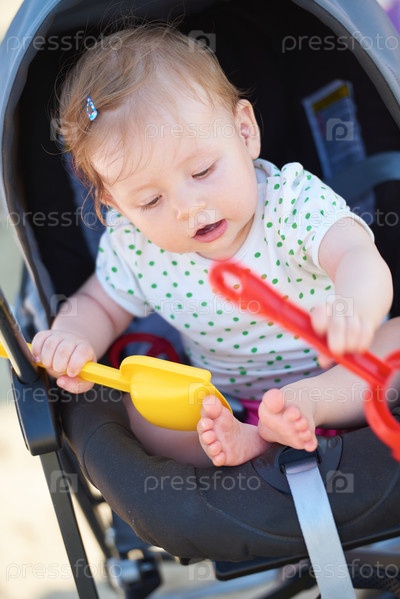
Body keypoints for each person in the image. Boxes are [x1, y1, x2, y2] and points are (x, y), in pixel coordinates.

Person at [32, 24, 399, 468]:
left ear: (244, 132)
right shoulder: (136, 246)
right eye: (150, 201)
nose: (188, 207)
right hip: (223, 401)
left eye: (202, 171)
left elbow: (356, 255)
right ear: (116, 205)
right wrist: (72, 338)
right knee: (140, 417)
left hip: (342, 375)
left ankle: (307, 405)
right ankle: (250, 439)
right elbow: (100, 305)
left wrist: (355, 306)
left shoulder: (289, 202)